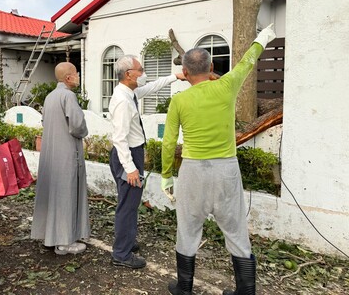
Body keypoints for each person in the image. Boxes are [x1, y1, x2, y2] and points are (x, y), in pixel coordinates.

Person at [160, 25, 276, 295]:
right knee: (235, 230)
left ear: (185, 72)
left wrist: (166, 175)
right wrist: (262, 37)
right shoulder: (226, 86)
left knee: (188, 229)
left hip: (192, 172)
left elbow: (168, 142)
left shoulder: (179, 100)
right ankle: (245, 291)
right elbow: (248, 60)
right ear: (211, 66)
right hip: (226, 170)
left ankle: (185, 288)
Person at [109, 55, 185, 269]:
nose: (143, 74)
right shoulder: (123, 101)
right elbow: (119, 139)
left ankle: (127, 242)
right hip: (128, 156)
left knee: (130, 203)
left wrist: (175, 77)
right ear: (128, 74)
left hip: (131, 153)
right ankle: (121, 254)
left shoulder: (129, 93)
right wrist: (131, 169)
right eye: (140, 70)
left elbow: (151, 88)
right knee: (127, 205)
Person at [30, 62, 89, 255]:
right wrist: (84, 131)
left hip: (51, 152)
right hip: (66, 152)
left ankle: (50, 236)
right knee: (66, 194)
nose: (78, 76)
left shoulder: (50, 96)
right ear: (69, 78)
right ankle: (64, 242)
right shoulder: (68, 96)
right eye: (76, 73)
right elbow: (77, 126)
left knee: (53, 194)